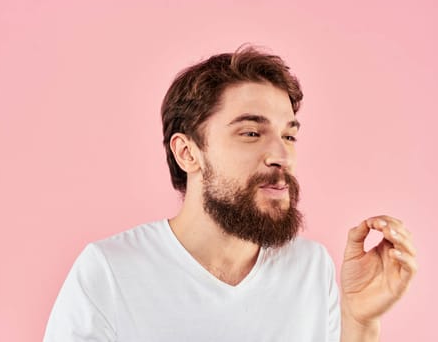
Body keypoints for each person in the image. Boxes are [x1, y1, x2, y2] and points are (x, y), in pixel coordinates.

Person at [43, 46, 417, 341]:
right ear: (188, 153)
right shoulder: (109, 271)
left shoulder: (310, 268)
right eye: (251, 133)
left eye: (289, 135)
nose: (282, 155)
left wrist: (361, 322)